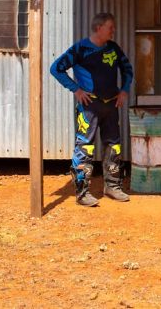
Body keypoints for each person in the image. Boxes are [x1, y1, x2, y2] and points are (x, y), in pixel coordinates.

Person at [50, 12, 134, 206]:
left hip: (111, 105)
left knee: (114, 145)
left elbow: (127, 69)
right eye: (110, 27)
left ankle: (112, 186)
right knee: (85, 147)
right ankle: (82, 193)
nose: (114, 30)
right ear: (99, 28)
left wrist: (124, 91)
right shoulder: (80, 49)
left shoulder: (113, 48)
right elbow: (56, 68)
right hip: (89, 107)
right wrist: (76, 90)